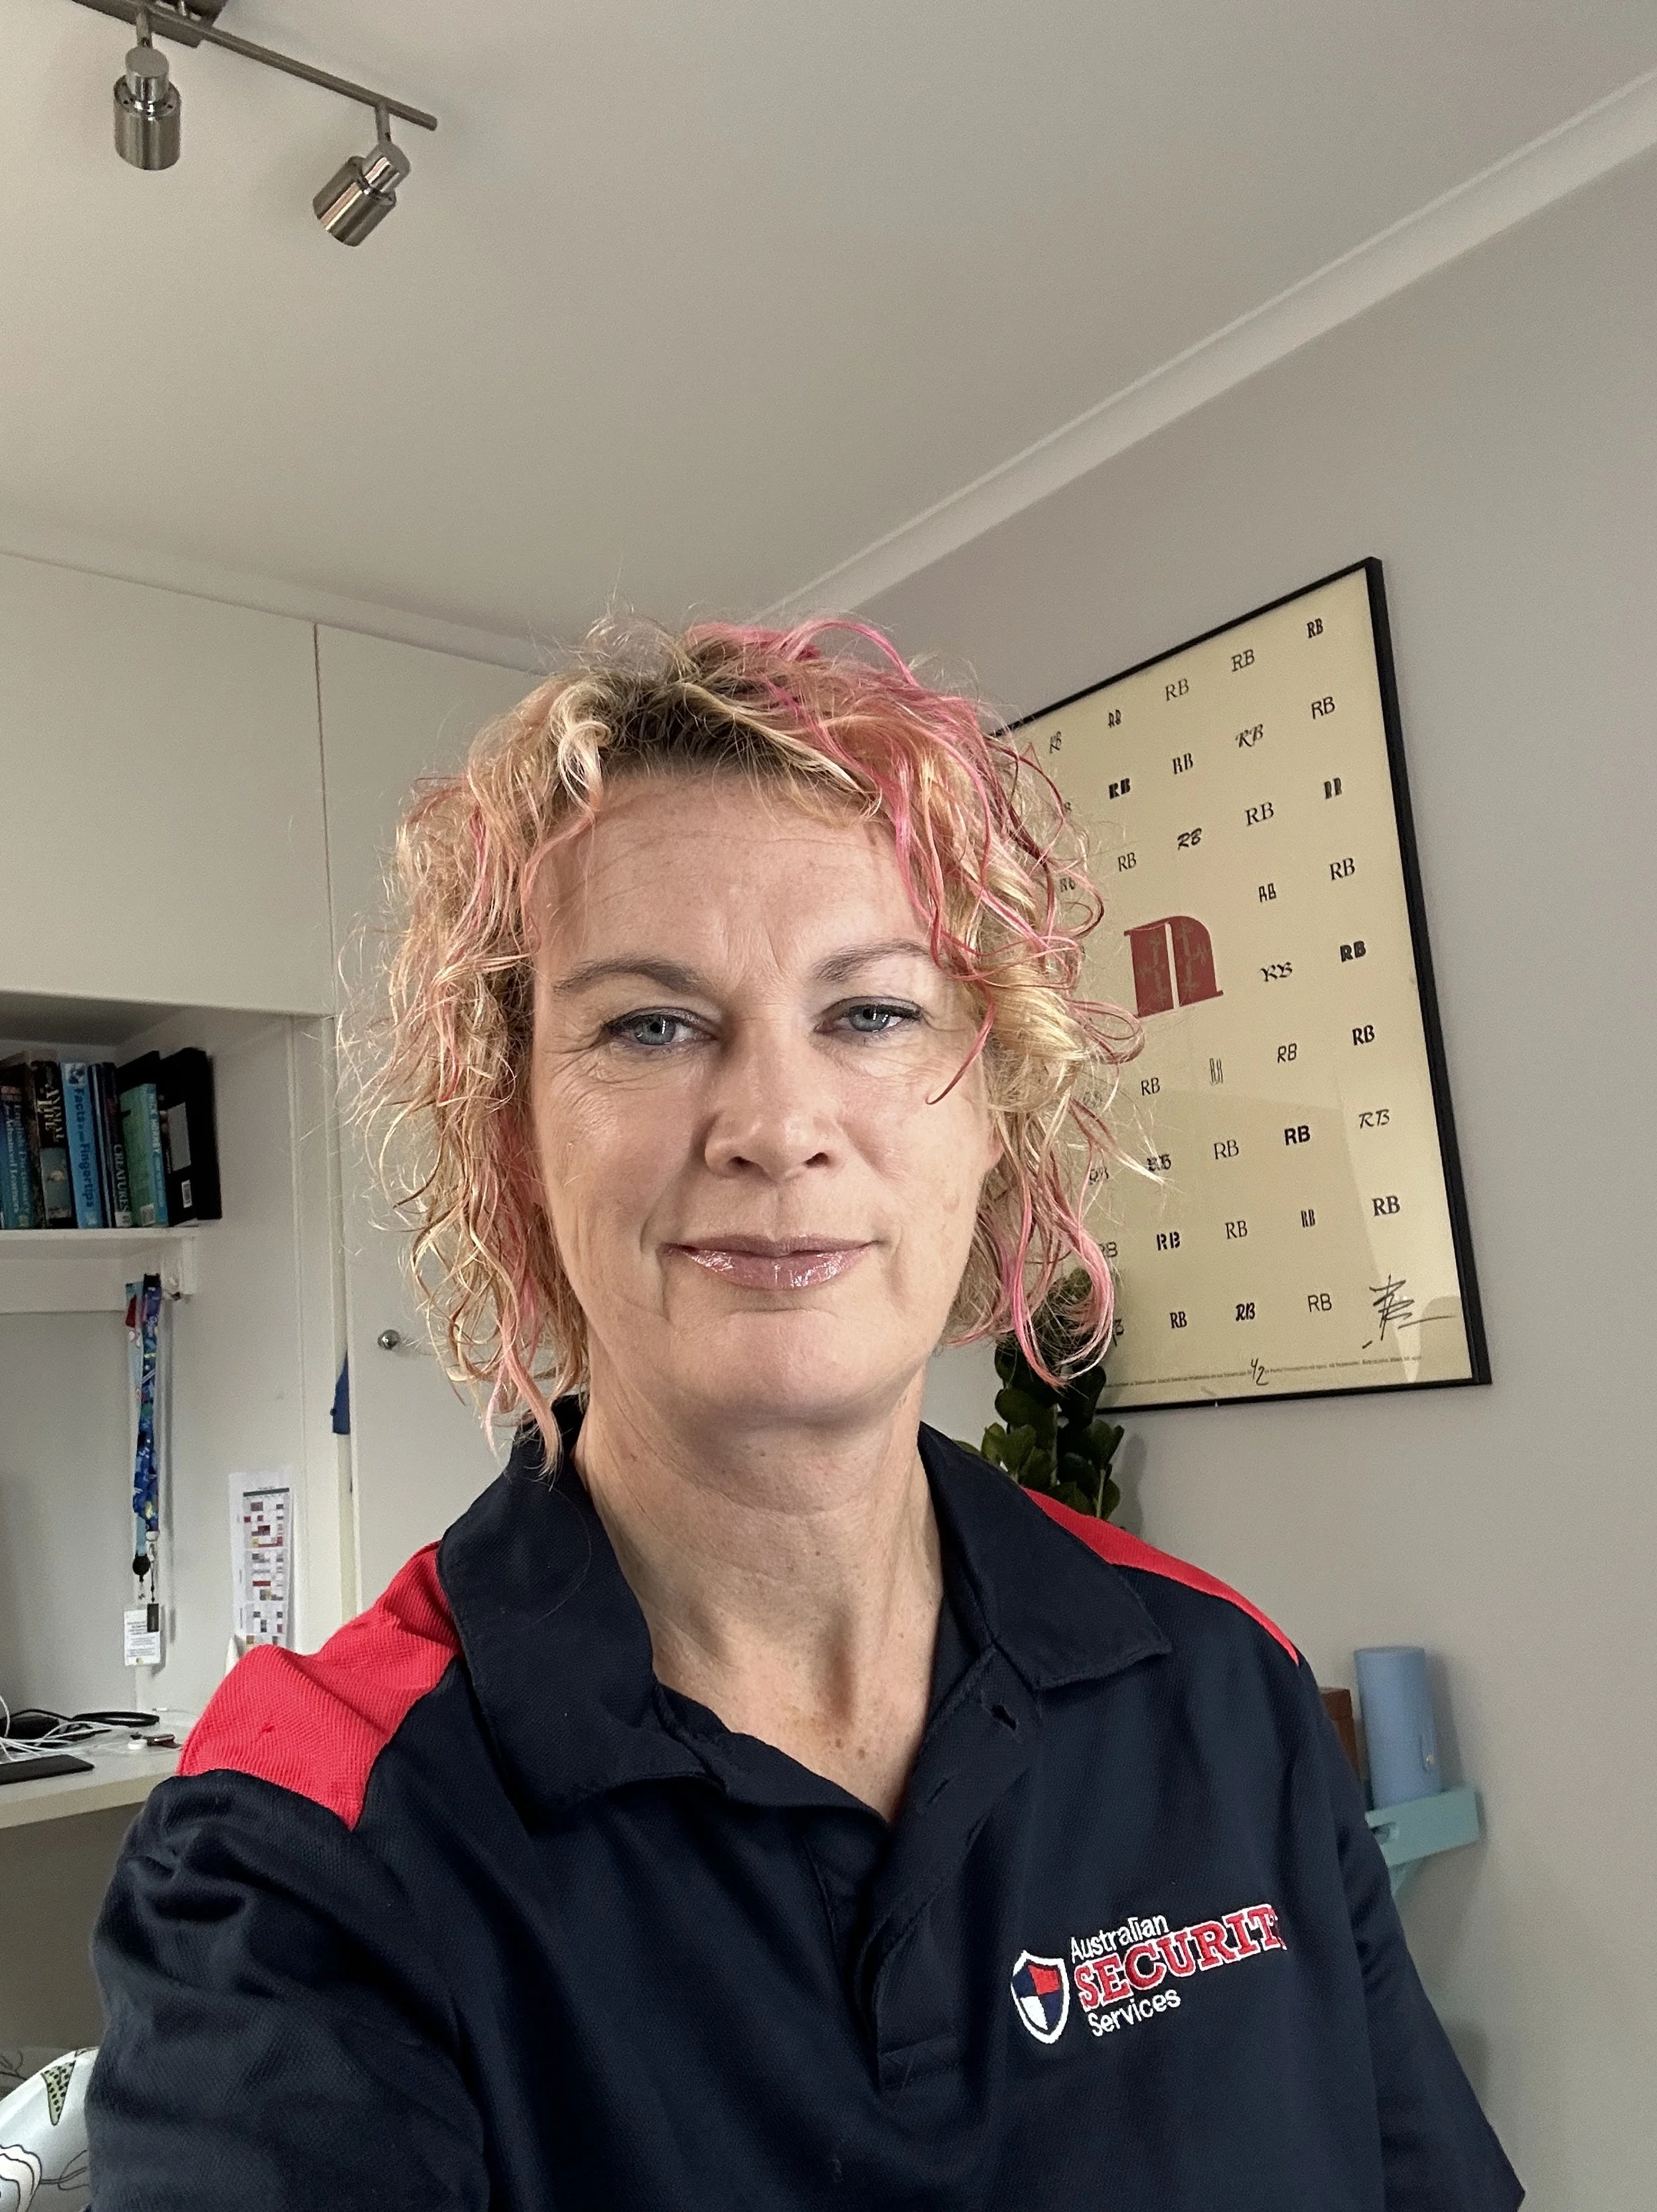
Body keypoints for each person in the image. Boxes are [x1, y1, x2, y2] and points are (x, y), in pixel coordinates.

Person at [86, 620, 1522, 2209]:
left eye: (872, 1013)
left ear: (996, 1113)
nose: (776, 1124)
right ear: (516, 1146)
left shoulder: (1218, 1686)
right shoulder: (306, 1847)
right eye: (649, 1024)